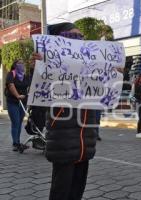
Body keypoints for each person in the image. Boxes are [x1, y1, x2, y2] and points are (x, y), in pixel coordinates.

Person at [39, 22, 98, 200]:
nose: (79, 40)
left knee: (77, 189)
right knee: (61, 190)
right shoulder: (50, 64)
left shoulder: (90, 64)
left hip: (85, 139)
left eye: (81, 36)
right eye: (73, 36)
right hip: (63, 140)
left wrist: (114, 74)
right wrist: (41, 62)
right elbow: (43, 88)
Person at [5, 60, 31, 151]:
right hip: (13, 102)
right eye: (19, 63)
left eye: (23, 63)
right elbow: (11, 85)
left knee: (19, 123)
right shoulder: (11, 74)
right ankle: (15, 143)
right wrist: (17, 96)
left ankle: (18, 142)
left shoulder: (25, 76)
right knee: (15, 122)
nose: (22, 65)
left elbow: (31, 86)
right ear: (15, 65)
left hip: (23, 102)